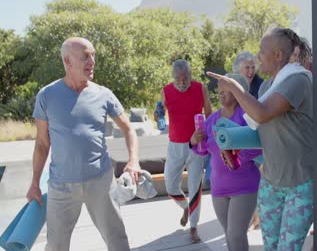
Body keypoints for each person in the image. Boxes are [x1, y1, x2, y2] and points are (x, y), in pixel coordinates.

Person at [26, 37, 140, 251]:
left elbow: (128, 129)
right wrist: (34, 183)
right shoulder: (47, 95)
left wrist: (133, 161)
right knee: (56, 246)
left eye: (93, 55)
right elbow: (42, 143)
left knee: (118, 241)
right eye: (85, 56)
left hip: (101, 182)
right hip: (61, 186)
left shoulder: (103, 94)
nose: (92, 61)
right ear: (68, 62)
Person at [208, 27, 315, 250]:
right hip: (270, 183)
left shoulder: (299, 81)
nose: (258, 56)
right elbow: (263, 131)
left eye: (262, 50)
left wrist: (236, 89)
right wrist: (231, 145)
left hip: (300, 183)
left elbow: (262, 113)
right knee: (271, 247)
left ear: (278, 55)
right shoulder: (267, 86)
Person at [190, 73, 262, 251]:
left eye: (226, 91)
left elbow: (258, 146)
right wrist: (192, 141)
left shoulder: (246, 116)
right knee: (229, 236)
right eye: (219, 91)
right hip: (218, 188)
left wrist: (234, 156)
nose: (221, 95)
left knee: (236, 235)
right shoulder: (212, 119)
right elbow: (204, 149)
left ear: (238, 92)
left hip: (244, 186)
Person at [155, 59, 212, 243]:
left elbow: (210, 114)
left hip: (197, 146)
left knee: (195, 185)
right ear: (173, 77)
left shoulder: (200, 88)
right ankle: (185, 207)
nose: (181, 83)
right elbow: (159, 115)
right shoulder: (166, 90)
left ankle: (194, 227)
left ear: (190, 75)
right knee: (170, 185)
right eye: (178, 79)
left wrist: (208, 139)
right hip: (175, 145)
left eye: (185, 78)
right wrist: (157, 112)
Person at [233, 51, 263, 230]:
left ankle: (256, 217)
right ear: (239, 70)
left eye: (253, 67)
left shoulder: (262, 85)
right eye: (247, 68)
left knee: (257, 180)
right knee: (244, 180)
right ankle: (249, 215)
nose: (251, 71)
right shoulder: (234, 84)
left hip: (258, 138)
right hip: (240, 137)